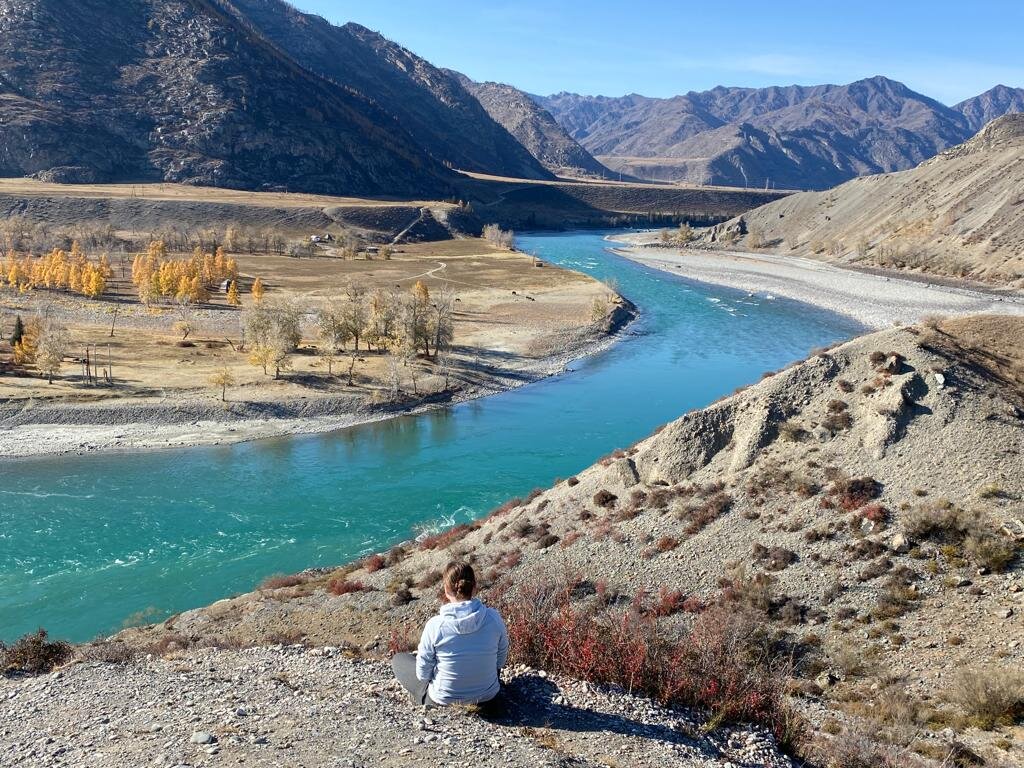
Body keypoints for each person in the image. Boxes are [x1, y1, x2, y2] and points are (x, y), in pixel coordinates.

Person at [392, 561, 509, 707]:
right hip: (489, 698)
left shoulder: (436, 625)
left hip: (444, 700)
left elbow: (422, 675)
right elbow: (501, 659)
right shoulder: (493, 618)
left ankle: (420, 700)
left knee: (399, 659)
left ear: (446, 590)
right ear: (474, 588)